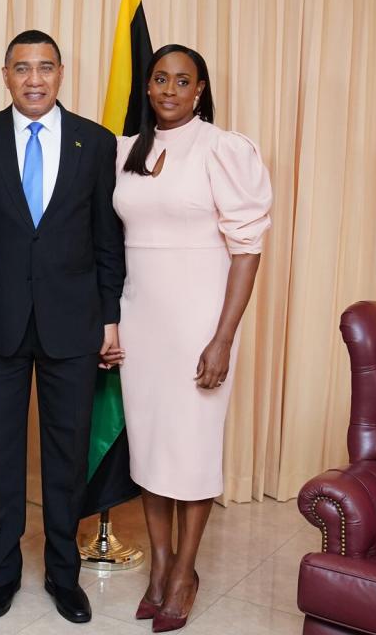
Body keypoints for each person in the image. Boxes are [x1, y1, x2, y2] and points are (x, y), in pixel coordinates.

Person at [0, 30, 126, 625]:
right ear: (5, 74)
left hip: (73, 325)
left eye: (45, 67)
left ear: (62, 73)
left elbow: (107, 240)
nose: (34, 79)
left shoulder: (96, 143)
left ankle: (64, 576)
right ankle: (1, 575)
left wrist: (110, 317)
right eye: (22, 68)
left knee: (66, 457)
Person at [113, 44, 272, 632]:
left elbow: (247, 249)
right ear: (148, 86)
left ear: (200, 90)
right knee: (152, 448)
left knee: (194, 450)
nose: (170, 90)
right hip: (140, 322)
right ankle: (158, 565)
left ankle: (186, 570)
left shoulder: (223, 149)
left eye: (183, 81)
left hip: (199, 323)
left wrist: (223, 338)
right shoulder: (126, 151)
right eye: (160, 79)